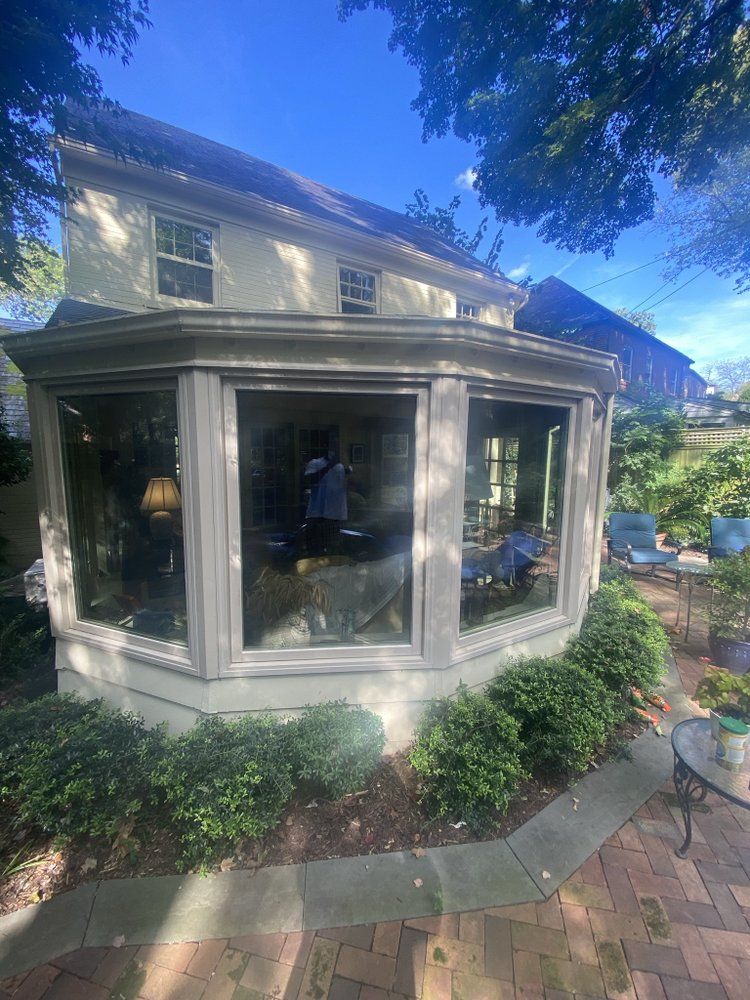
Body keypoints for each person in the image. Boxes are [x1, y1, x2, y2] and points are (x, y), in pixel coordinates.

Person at [304, 451, 351, 553]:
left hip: (335, 514)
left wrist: (347, 473)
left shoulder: (340, 466)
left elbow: (342, 487)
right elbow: (310, 480)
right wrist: (328, 466)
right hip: (316, 513)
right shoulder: (314, 463)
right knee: (314, 546)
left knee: (332, 547)